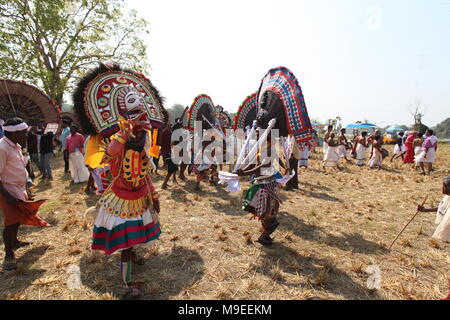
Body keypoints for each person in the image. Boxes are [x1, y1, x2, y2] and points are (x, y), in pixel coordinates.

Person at [92, 108, 161, 300]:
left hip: (139, 200)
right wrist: (123, 132)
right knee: (126, 245)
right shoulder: (119, 143)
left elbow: (145, 175)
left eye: (143, 130)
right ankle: (126, 285)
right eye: (138, 129)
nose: (141, 133)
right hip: (120, 202)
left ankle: (131, 258)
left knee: (133, 241)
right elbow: (111, 152)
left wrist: (154, 197)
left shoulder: (143, 145)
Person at [0, 118, 48, 271]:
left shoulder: (16, 146)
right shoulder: (2, 148)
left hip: (19, 189)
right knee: (11, 222)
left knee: (17, 219)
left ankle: (14, 242)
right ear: (14, 134)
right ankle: (8, 255)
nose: (26, 136)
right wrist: (8, 196)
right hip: (8, 190)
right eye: (24, 133)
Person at [237, 136, 285, 246]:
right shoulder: (262, 148)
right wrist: (242, 170)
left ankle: (265, 236)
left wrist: (244, 173)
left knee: (268, 212)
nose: (257, 135)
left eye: (259, 133)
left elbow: (265, 165)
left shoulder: (269, 149)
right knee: (262, 211)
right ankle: (265, 236)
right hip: (261, 183)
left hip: (268, 184)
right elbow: (255, 163)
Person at [417, 176, 450, 300]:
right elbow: (444, 209)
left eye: (444, 187)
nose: (442, 188)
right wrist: (425, 210)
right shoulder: (448, 198)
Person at [161, 111, 178, 190]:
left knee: (173, 168)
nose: (171, 126)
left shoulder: (168, 132)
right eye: (169, 125)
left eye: (171, 125)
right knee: (171, 169)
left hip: (169, 152)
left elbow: (171, 143)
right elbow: (163, 143)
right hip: (166, 153)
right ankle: (164, 184)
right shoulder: (164, 132)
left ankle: (166, 183)